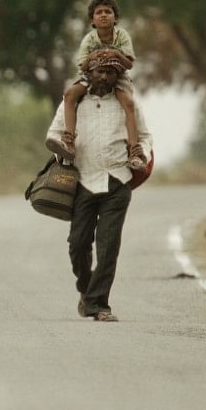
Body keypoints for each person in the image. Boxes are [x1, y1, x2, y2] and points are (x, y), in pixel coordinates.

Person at [45, 49, 153, 322]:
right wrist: (63, 152)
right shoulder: (75, 102)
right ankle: (87, 290)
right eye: (99, 71)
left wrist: (141, 154)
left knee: (108, 245)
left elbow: (145, 136)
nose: (104, 76)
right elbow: (54, 135)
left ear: (117, 75)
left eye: (110, 72)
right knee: (77, 244)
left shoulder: (127, 102)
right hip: (82, 180)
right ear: (89, 73)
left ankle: (99, 305)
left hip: (118, 181)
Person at [46, 0, 145, 170]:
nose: (104, 15)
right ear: (92, 20)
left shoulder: (122, 36)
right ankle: (68, 140)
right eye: (99, 12)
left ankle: (134, 152)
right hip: (92, 73)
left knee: (129, 103)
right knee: (69, 94)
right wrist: (91, 58)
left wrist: (116, 55)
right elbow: (82, 67)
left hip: (118, 73)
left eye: (108, 12)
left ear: (116, 18)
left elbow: (129, 63)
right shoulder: (89, 39)